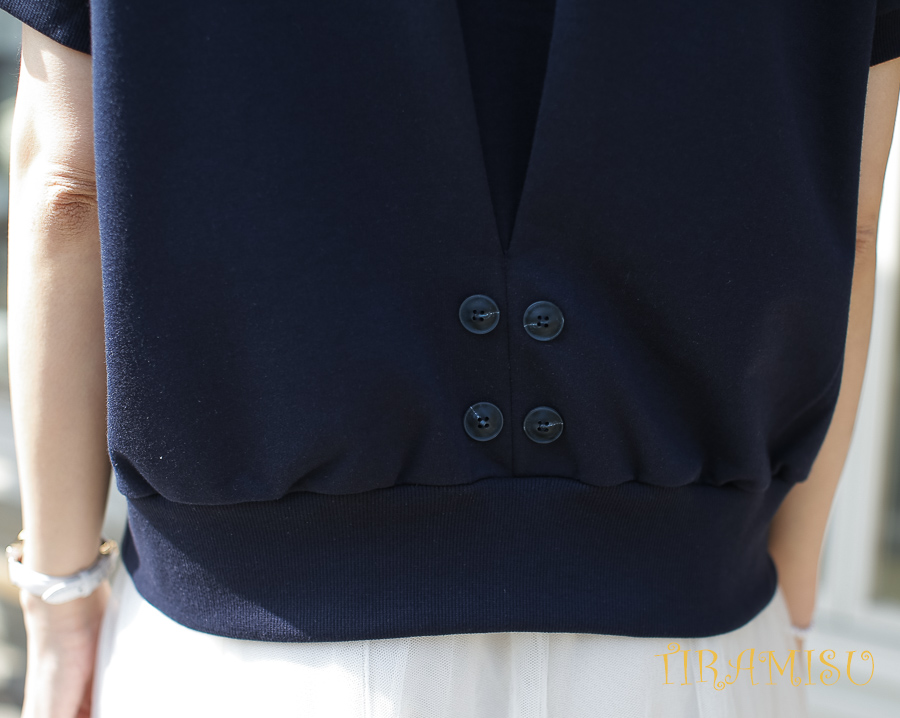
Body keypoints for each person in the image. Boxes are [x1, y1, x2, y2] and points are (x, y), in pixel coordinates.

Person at [2, 1, 900, 716]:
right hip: (690, 646)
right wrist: (788, 573)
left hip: (251, 662)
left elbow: (68, 193)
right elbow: (853, 229)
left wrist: (61, 592)